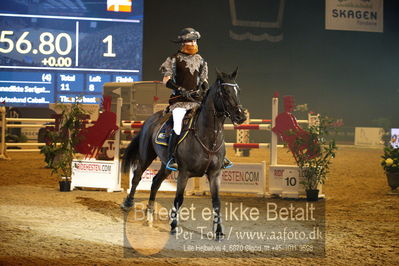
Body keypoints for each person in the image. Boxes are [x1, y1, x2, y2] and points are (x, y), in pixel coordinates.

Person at [160, 27, 232, 171]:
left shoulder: (201, 60)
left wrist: (204, 86)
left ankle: (221, 156)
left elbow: (204, 79)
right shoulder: (173, 59)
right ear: (183, 42)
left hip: (197, 101)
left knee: (213, 122)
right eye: (190, 41)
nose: (193, 44)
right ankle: (172, 158)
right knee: (178, 124)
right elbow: (165, 80)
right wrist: (180, 89)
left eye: (194, 41)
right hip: (179, 101)